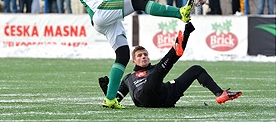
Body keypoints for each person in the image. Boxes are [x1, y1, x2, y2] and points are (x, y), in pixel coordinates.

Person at [9, 0, 194, 109]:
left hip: (107, 19)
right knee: (139, 0)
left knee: (122, 54)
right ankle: (180, 13)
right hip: (99, 11)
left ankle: (110, 99)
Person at [99, 22, 242, 108]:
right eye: (140, 56)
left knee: (196, 69)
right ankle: (174, 51)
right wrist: (107, 90)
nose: (144, 57)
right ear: (134, 61)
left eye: (145, 54)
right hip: (145, 98)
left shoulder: (154, 68)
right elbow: (115, 99)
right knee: (157, 73)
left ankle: (219, 94)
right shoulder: (129, 78)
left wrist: (186, 33)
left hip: (165, 96)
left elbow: (163, 67)